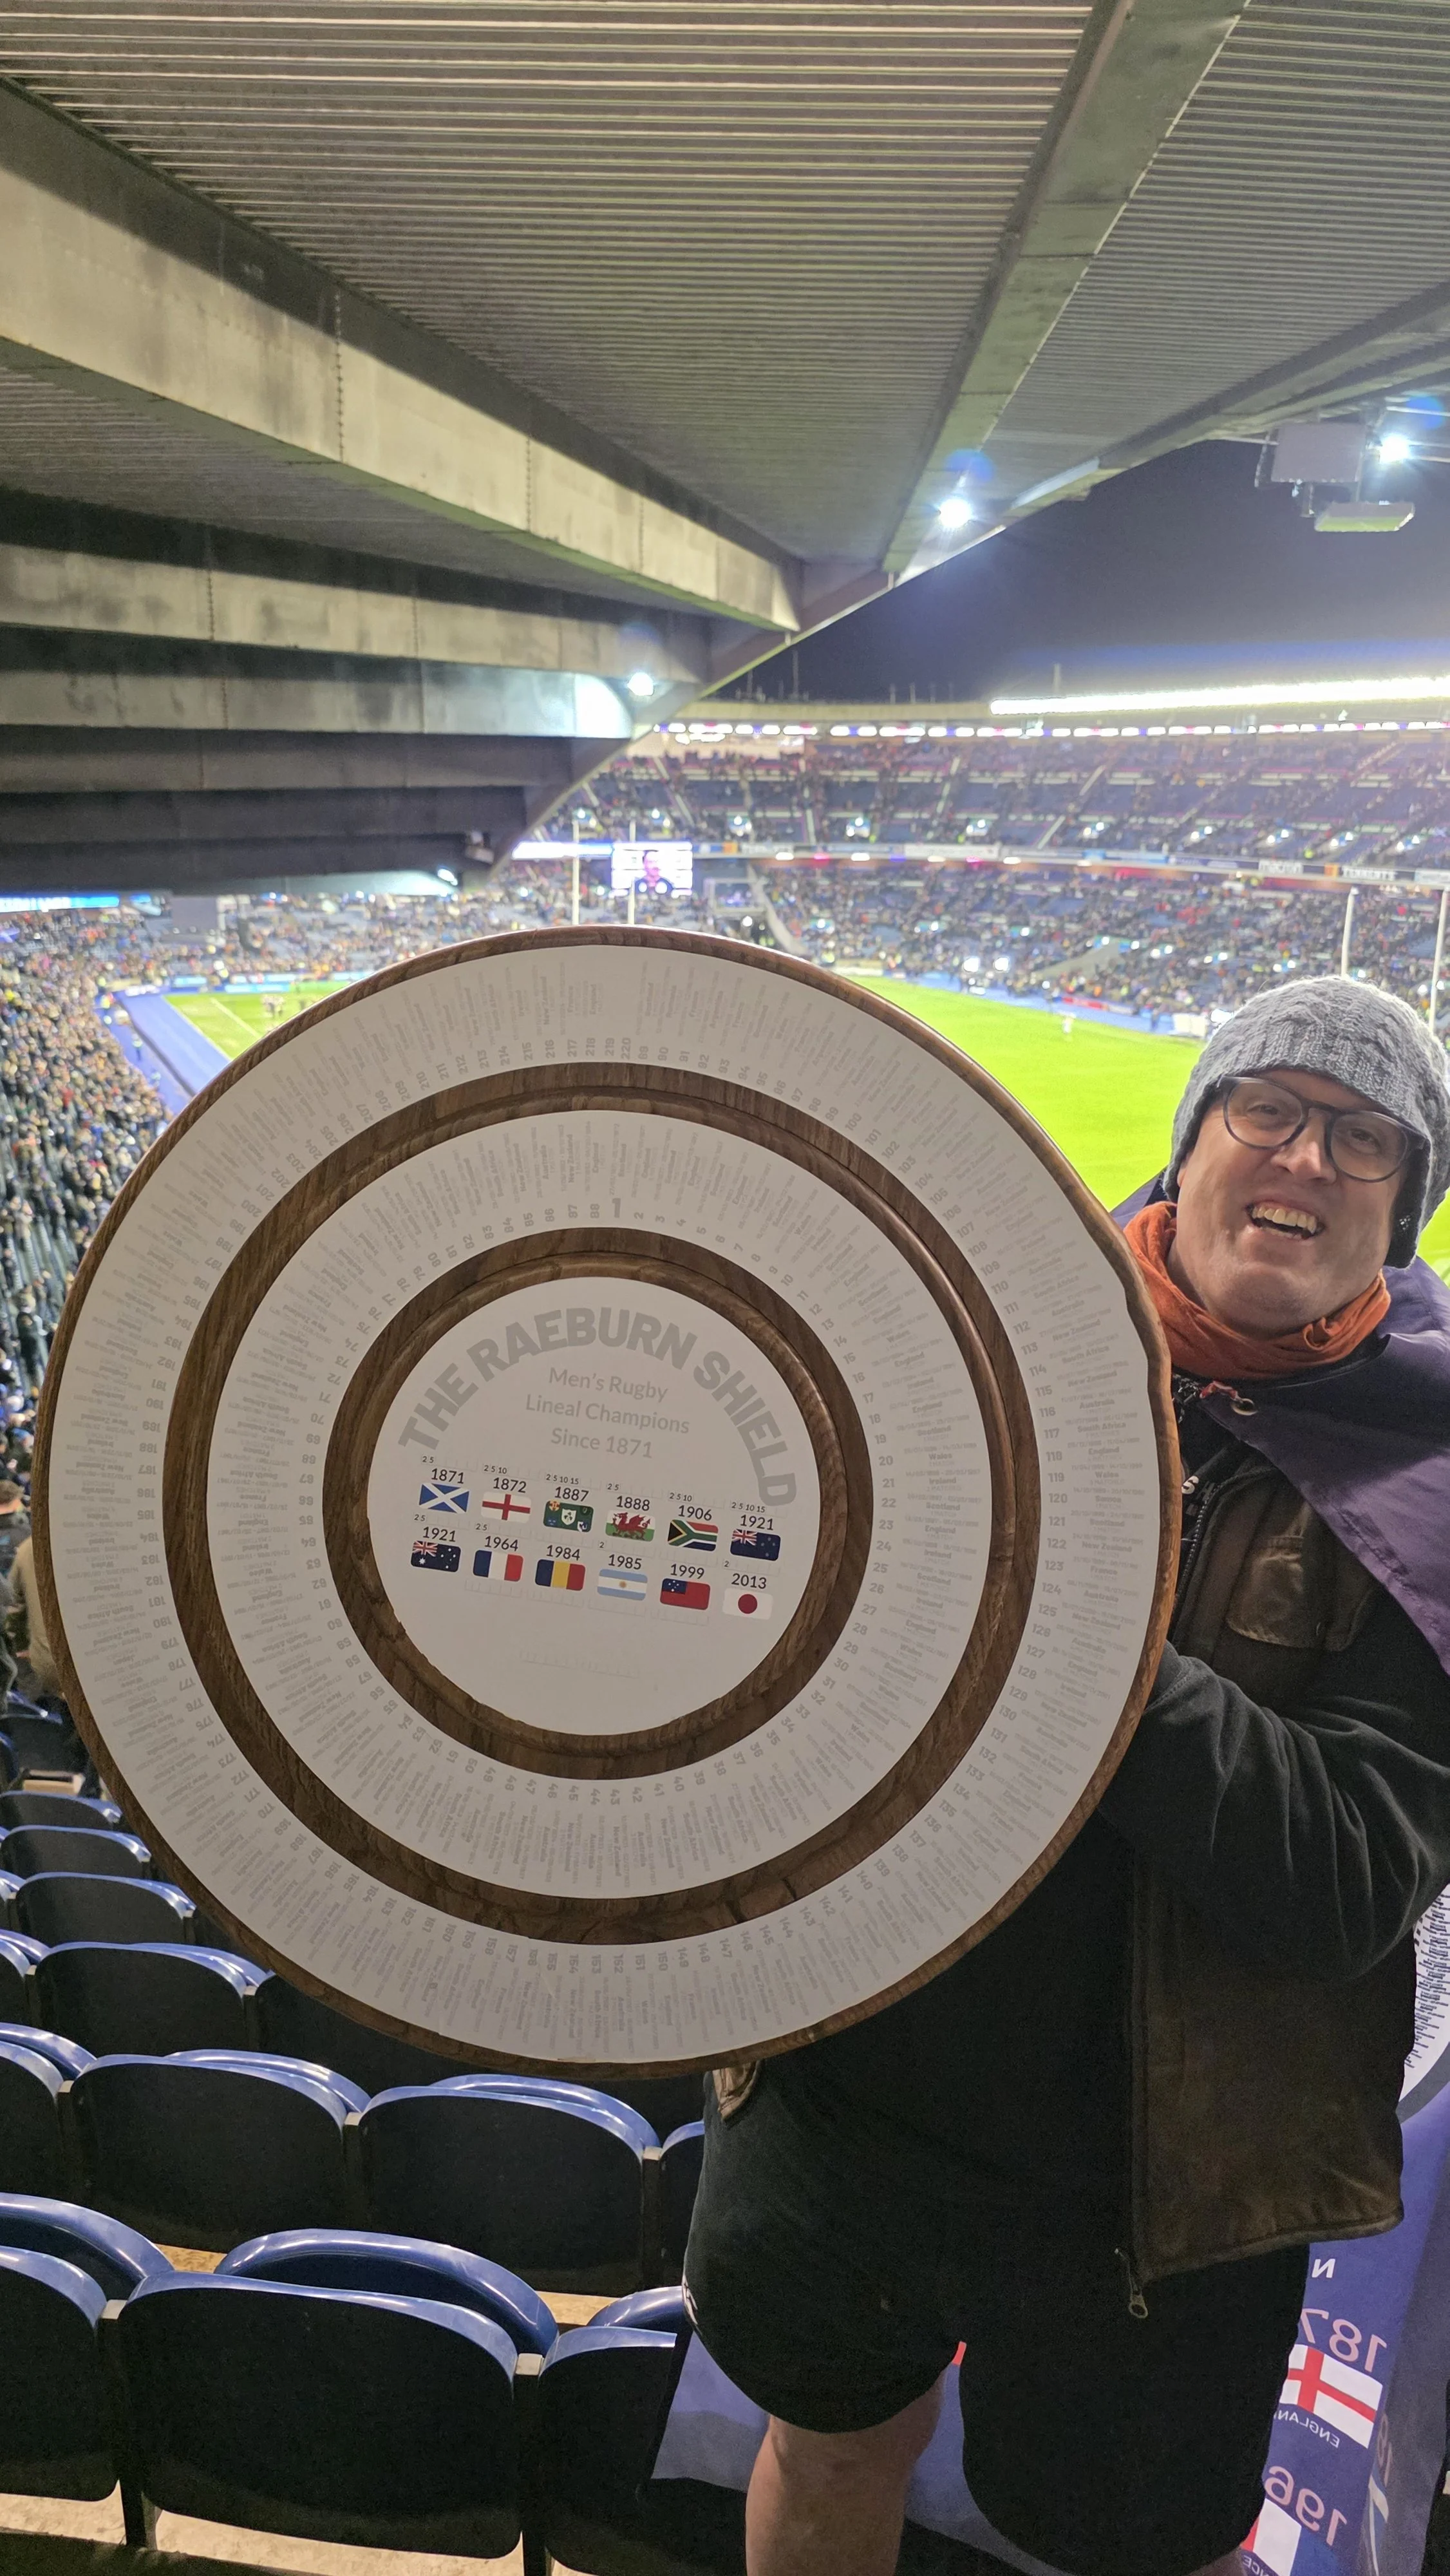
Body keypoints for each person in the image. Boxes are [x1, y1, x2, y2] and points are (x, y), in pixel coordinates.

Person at [684, 976, 1450, 2576]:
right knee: (828, 2441)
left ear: (1405, 1199)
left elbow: (1344, 1879)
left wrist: (1064, 1641)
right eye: (1271, 1108)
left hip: (1163, 2189)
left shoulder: (1430, 1477)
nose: (1305, 1157)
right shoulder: (981, 1335)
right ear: (1194, 1145)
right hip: (848, 2077)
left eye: (1363, 1137)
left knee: (1122, 2545)